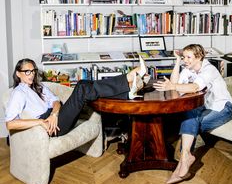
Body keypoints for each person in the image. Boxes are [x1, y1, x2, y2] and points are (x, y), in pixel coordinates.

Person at [153, 44, 232, 184]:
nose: (186, 60)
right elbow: (174, 83)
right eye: (184, 57)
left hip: (223, 109)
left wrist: (173, 86)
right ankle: (186, 159)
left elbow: (195, 87)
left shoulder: (209, 70)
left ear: (199, 57)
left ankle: (181, 165)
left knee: (190, 121)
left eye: (188, 57)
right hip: (205, 108)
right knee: (191, 114)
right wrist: (177, 61)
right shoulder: (188, 69)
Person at [5, 57, 147, 137]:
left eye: (33, 71)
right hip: (50, 127)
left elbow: (56, 101)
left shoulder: (39, 86)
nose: (32, 75)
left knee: (83, 83)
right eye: (27, 72)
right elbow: (10, 124)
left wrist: (54, 113)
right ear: (18, 73)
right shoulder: (18, 93)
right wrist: (41, 122)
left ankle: (127, 93)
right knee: (82, 88)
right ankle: (128, 79)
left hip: (55, 117)